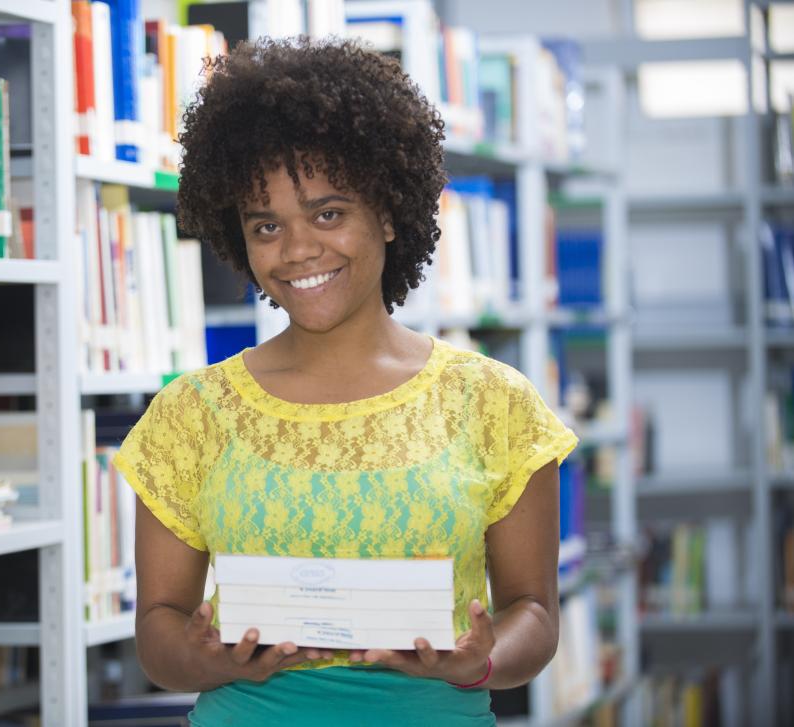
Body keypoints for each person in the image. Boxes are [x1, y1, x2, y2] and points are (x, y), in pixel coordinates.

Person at [112, 36, 577, 726]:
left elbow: (534, 612)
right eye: (266, 225)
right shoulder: (191, 414)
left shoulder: (493, 402)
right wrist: (200, 655)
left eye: (328, 213)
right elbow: (158, 630)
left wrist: (480, 657)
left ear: (387, 213)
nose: (298, 249)